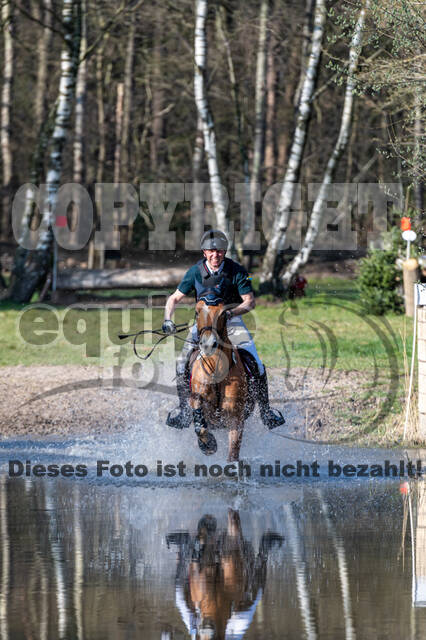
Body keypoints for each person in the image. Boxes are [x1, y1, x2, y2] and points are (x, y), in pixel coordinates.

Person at [162, 229, 285, 430]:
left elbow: (249, 302)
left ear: (224, 251)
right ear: (204, 252)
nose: (215, 255)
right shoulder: (195, 272)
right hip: (203, 323)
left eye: (219, 251)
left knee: (257, 363)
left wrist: (230, 313)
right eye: (211, 251)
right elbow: (174, 298)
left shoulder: (236, 271)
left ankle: (266, 412)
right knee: (181, 362)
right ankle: (184, 410)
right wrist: (167, 319)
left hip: (231, 321)